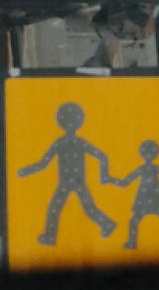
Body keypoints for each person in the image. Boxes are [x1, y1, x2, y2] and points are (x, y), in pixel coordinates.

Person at [16, 102, 116, 243]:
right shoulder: (62, 143)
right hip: (67, 183)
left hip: (75, 181)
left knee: (70, 208)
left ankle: (107, 224)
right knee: (61, 208)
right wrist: (26, 171)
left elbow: (102, 156)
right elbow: (43, 163)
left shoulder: (71, 142)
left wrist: (104, 176)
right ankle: (107, 224)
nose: (70, 125)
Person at [106, 139, 159, 250]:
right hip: (144, 199)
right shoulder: (143, 169)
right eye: (146, 153)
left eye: (150, 153)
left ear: (155, 154)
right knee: (135, 221)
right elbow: (125, 182)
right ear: (142, 154)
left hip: (154, 198)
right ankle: (133, 243)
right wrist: (111, 180)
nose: (148, 156)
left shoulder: (155, 169)